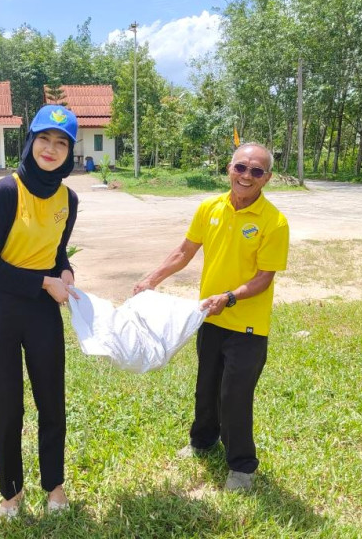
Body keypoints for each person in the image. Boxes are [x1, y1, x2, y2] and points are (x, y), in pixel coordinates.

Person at [133, 142, 289, 492]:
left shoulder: (274, 222)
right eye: (240, 167)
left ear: (267, 178)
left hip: (248, 327)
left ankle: (242, 466)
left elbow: (264, 278)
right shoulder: (209, 208)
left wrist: (229, 298)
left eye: (256, 171)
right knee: (206, 387)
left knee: (235, 395)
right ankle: (202, 442)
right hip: (209, 318)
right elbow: (184, 251)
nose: (246, 176)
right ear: (229, 168)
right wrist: (151, 280)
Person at [0, 105, 80, 518]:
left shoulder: (68, 199)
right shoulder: (6, 191)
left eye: (61, 143)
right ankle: (11, 493)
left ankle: (55, 486)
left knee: (51, 401)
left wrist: (65, 271)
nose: (51, 149)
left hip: (42, 313)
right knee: (7, 407)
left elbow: (57, 250)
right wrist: (43, 283)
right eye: (44, 139)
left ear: (69, 152)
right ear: (31, 140)